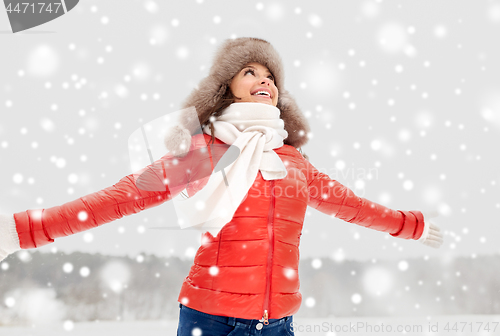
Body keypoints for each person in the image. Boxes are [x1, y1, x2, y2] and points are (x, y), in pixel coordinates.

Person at [0, 37, 444, 336]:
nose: (264, 79)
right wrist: (22, 229)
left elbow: (353, 206)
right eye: (250, 71)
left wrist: (411, 226)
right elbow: (122, 197)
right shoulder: (204, 152)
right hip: (209, 321)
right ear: (226, 87)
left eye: (270, 75)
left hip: (277, 324)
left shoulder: (293, 163)